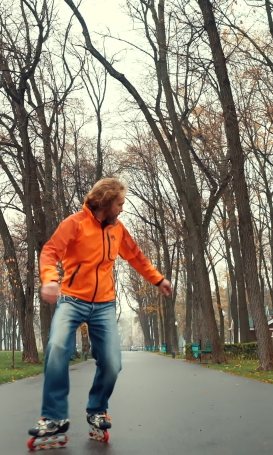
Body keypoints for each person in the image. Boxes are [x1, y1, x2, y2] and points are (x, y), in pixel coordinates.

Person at [28, 178, 173, 444]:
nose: (122, 208)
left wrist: (158, 279)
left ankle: (97, 410)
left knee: (112, 363)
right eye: (119, 204)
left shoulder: (118, 229)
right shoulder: (75, 224)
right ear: (105, 203)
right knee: (57, 348)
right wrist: (50, 279)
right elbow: (50, 251)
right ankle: (54, 417)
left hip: (104, 304)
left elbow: (136, 256)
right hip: (72, 300)